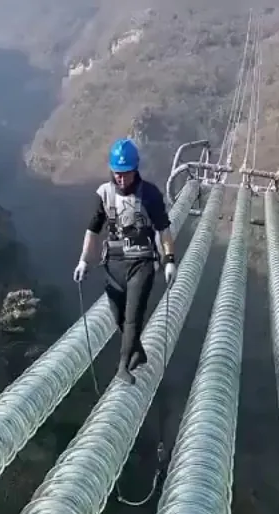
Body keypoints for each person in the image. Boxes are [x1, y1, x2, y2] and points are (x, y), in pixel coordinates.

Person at [73, 138, 177, 385]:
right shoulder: (104, 194)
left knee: (132, 317)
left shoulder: (150, 194)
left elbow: (163, 229)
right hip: (113, 265)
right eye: (117, 174)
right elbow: (93, 229)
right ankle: (137, 352)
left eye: (126, 174)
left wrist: (169, 259)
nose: (121, 179)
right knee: (119, 316)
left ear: (135, 169)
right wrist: (84, 261)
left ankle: (123, 366)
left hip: (141, 262)